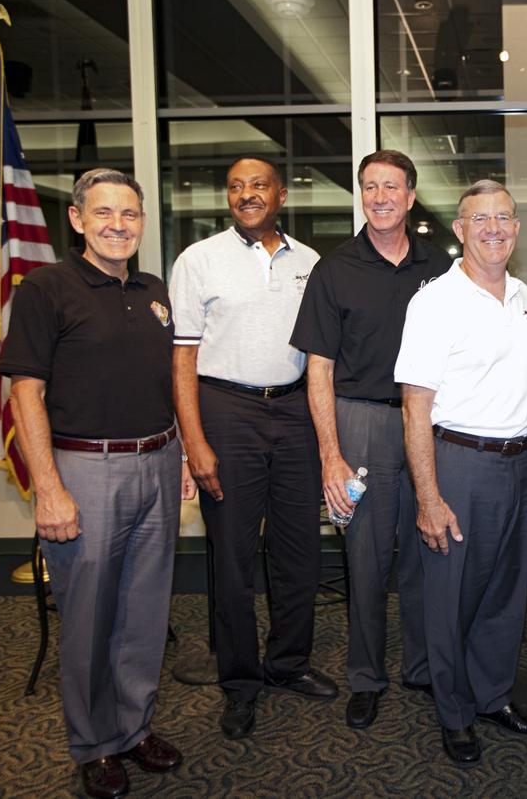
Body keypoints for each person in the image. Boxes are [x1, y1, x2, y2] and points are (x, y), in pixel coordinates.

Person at [1, 169, 189, 799]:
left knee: (143, 612)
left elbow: (163, 381)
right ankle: (93, 744)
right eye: (104, 213)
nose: (118, 224)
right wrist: (48, 489)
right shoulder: (46, 289)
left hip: (158, 462)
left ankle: (133, 730)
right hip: (84, 469)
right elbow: (25, 390)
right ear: (78, 219)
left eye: (130, 214)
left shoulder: (153, 288)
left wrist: (183, 455)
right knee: (88, 617)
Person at [170, 156, 337, 742]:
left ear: (281, 195)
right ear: (228, 197)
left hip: (293, 411)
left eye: (258, 185)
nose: (247, 195)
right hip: (226, 410)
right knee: (234, 560)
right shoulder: (198, 260)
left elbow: (322, 356)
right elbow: (183, 357)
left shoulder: (311, 263)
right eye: (237, 187)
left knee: (299, 553)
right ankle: (239, 683)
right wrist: (194, 441)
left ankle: (288, 664)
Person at [290, 149, 450, 729]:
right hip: (360, 422)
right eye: (369, 187)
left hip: (429, 423)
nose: (380, 197)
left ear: (411, 197)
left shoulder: (441, 266)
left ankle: (424, 667)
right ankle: (366, 677)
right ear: (361, 196)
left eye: (392, 187)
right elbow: (318, 370)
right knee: (366, 558)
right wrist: (331, 456)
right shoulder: (335, 269)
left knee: (428, 550)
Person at [395, 180, 527, 767]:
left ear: (516, 227)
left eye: (504, 217)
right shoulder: (435, 300)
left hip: (518, 463)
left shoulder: (525, 296)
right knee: (451, 597)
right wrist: (428, 497)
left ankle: (493, 696)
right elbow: (415, 406)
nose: (494, 228)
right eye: (479, 219)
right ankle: (454, 714)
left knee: (505, 594)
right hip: (458, 462)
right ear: (460, 231)